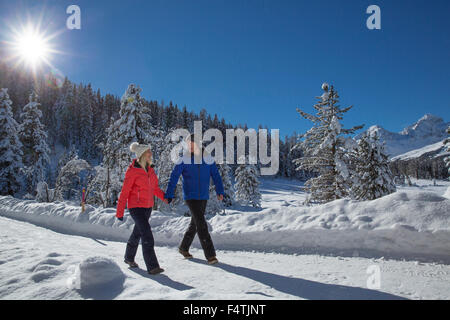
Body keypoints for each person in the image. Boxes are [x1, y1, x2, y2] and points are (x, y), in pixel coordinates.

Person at [165, 134, 224, 264]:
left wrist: (220, 190)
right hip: (190, 196)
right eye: (188, 144)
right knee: (201, 224)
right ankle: (210, 255)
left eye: (191, 143)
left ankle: (183, 247)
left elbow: (216, 175)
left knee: (195, 224)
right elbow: (174, 176)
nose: (189, 146)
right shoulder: (184, 159)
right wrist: (169, 193)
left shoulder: (207, 158)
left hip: (203, 196)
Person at [116, 142, 168, 275]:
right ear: (142, 155)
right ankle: (152, 267)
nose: (151, 154)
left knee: (137, 233)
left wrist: (165, 197)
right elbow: (125, 191)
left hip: (147, 207)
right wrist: (120, 211)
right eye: (148, 152)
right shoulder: (133, 171)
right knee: (147, 235)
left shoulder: (150, 170)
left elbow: (154, 188)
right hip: (136, 207)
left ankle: (128, 258)